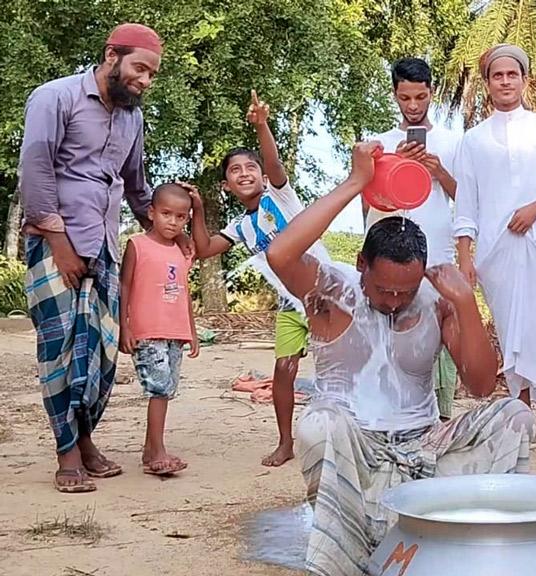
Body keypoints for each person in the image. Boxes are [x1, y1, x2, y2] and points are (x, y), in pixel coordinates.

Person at [264, 141, 535, 576]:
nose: (393, 300)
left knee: (515, 416)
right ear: (361, 265)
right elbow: (280, 253)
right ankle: (347, 558)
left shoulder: (435, 300)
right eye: (383, 289)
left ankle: (469, 547)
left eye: (404, 291)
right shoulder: (334, 292)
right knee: (319, 423)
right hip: (356, 449)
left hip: (423, 447)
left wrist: (466, 305)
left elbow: (482, 386)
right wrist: (357, 182)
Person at [18, 23, 176, 493]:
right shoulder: (55, 97)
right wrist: (61, 244)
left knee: (100, 355)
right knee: (60, 351)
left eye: (152, 74)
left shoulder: (132, 118)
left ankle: (85, 442)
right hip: (55, 245)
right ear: (112, 55)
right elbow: (36, 168)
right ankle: (67, 457)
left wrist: (173, 228)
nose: (145, 80)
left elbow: (136, 186)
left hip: (104, 246)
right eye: (139, 68)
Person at [454, 44, 536, 461]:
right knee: (511, 335)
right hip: (496, 254)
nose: (506, 82)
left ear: (525, 80)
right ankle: (522, 424)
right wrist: (465, 257)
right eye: (498, 76)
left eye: (513, 74)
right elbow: (466, 204)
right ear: (488, 83)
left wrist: (535, 208)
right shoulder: (473, 141)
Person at [190, 90, 323, 467]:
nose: (244, 173)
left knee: (338, 370)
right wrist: (199, 210)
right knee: (283, 370)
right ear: (226, 186)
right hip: (289, 303)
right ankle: (285, 442)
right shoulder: (239, 226)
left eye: (250, 168)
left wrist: (262, 124)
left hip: (324, 295)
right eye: (235, 171)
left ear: (263, 178)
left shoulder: (279, 199)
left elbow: (275, 163)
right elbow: (203, 249)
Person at [366, 57, 461, 420]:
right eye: (405, 98)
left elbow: (466, 201)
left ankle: (442, 415)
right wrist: (395, 168)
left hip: (437, 252)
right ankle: (391, 413)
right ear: (394, 95)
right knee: (389, 330)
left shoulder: (453, 142)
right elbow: (369, 199)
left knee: (440, 332)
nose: (413, 106)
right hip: (391, 258)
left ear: (431, 93)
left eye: (420, 97)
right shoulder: (380, 145)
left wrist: (438, 171)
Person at [119, 184, 200, 476]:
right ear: (151, 212)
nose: (172, 221)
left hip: (175, 332)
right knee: (159, 389)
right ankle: (158, 451)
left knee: (167, 390)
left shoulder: (181, 251)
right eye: (166, 214)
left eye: (180, 217)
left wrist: (191, 330)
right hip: (147, 330)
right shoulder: (137, 245)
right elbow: (124, 285)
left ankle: (149, 449)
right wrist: (124, 326)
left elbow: (184, 290)